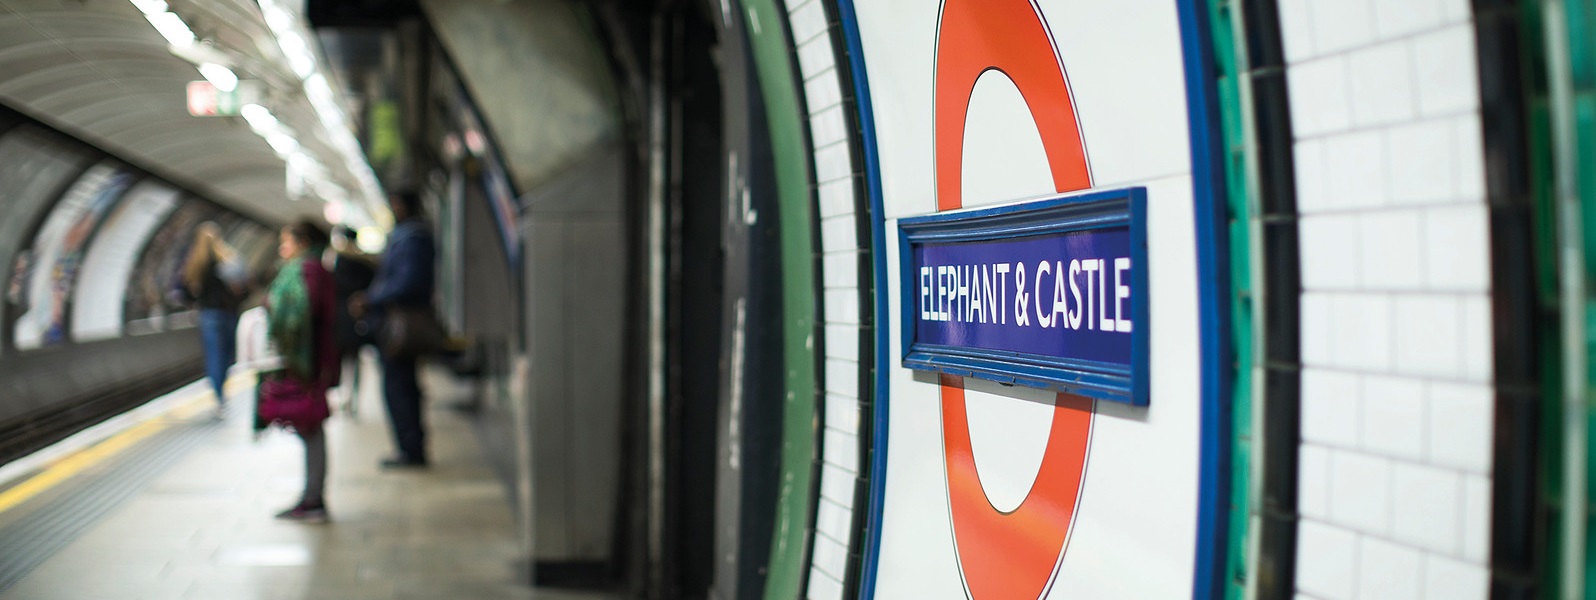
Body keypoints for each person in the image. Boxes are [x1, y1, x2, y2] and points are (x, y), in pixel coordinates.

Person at [262, 220, 338, 521]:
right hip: (315, 358)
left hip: (307, 361)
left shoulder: (305, 270)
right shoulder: (316, 267)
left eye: (287, 241)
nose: (283, 248)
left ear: (303, 242)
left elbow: (296, 316)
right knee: (311, 428)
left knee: (311, 427)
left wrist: (272, 306)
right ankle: (311, 496)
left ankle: (313, 499)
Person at [354, 192, 436, 469]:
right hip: (396, 324)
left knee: (399, 387)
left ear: (403, 206)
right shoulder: (410, 236)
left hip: (399, 326)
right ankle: (410, 446)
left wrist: (371, 299)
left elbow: (407, 282)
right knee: (402, 386)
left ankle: (411, 450)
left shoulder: (412, 238)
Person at [182, 222, 246, 412]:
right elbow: (241, 287)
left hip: (208, 314)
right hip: (227, 312)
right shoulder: (226, 260)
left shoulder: (195, 264)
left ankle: (219, 395)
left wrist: (198, 297)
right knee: (227, 354)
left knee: (214, 355)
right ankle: (222, 387)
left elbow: (185, 292)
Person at [324, 225, 376, 416]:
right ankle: (352, 399)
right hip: (356, 318)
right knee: (354, 361)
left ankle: (340, 397)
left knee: (338, 359)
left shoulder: (335, 261)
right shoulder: (365, 262)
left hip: (338, 318)